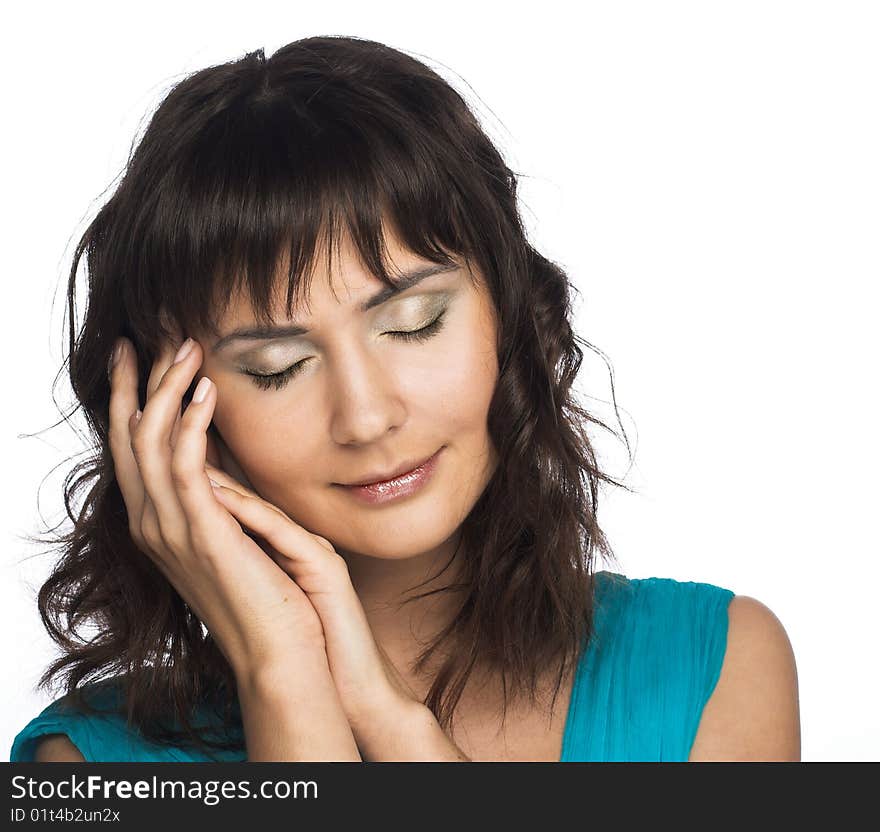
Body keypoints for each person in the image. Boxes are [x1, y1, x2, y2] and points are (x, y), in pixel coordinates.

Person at [10, 35, 800, 763]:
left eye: (415, 323)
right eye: (279, 366)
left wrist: (398, 727)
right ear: (174, 411)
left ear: (511, 313)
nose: (367, 416)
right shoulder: (81, 765)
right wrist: (282, 671)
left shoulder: (711, 672)